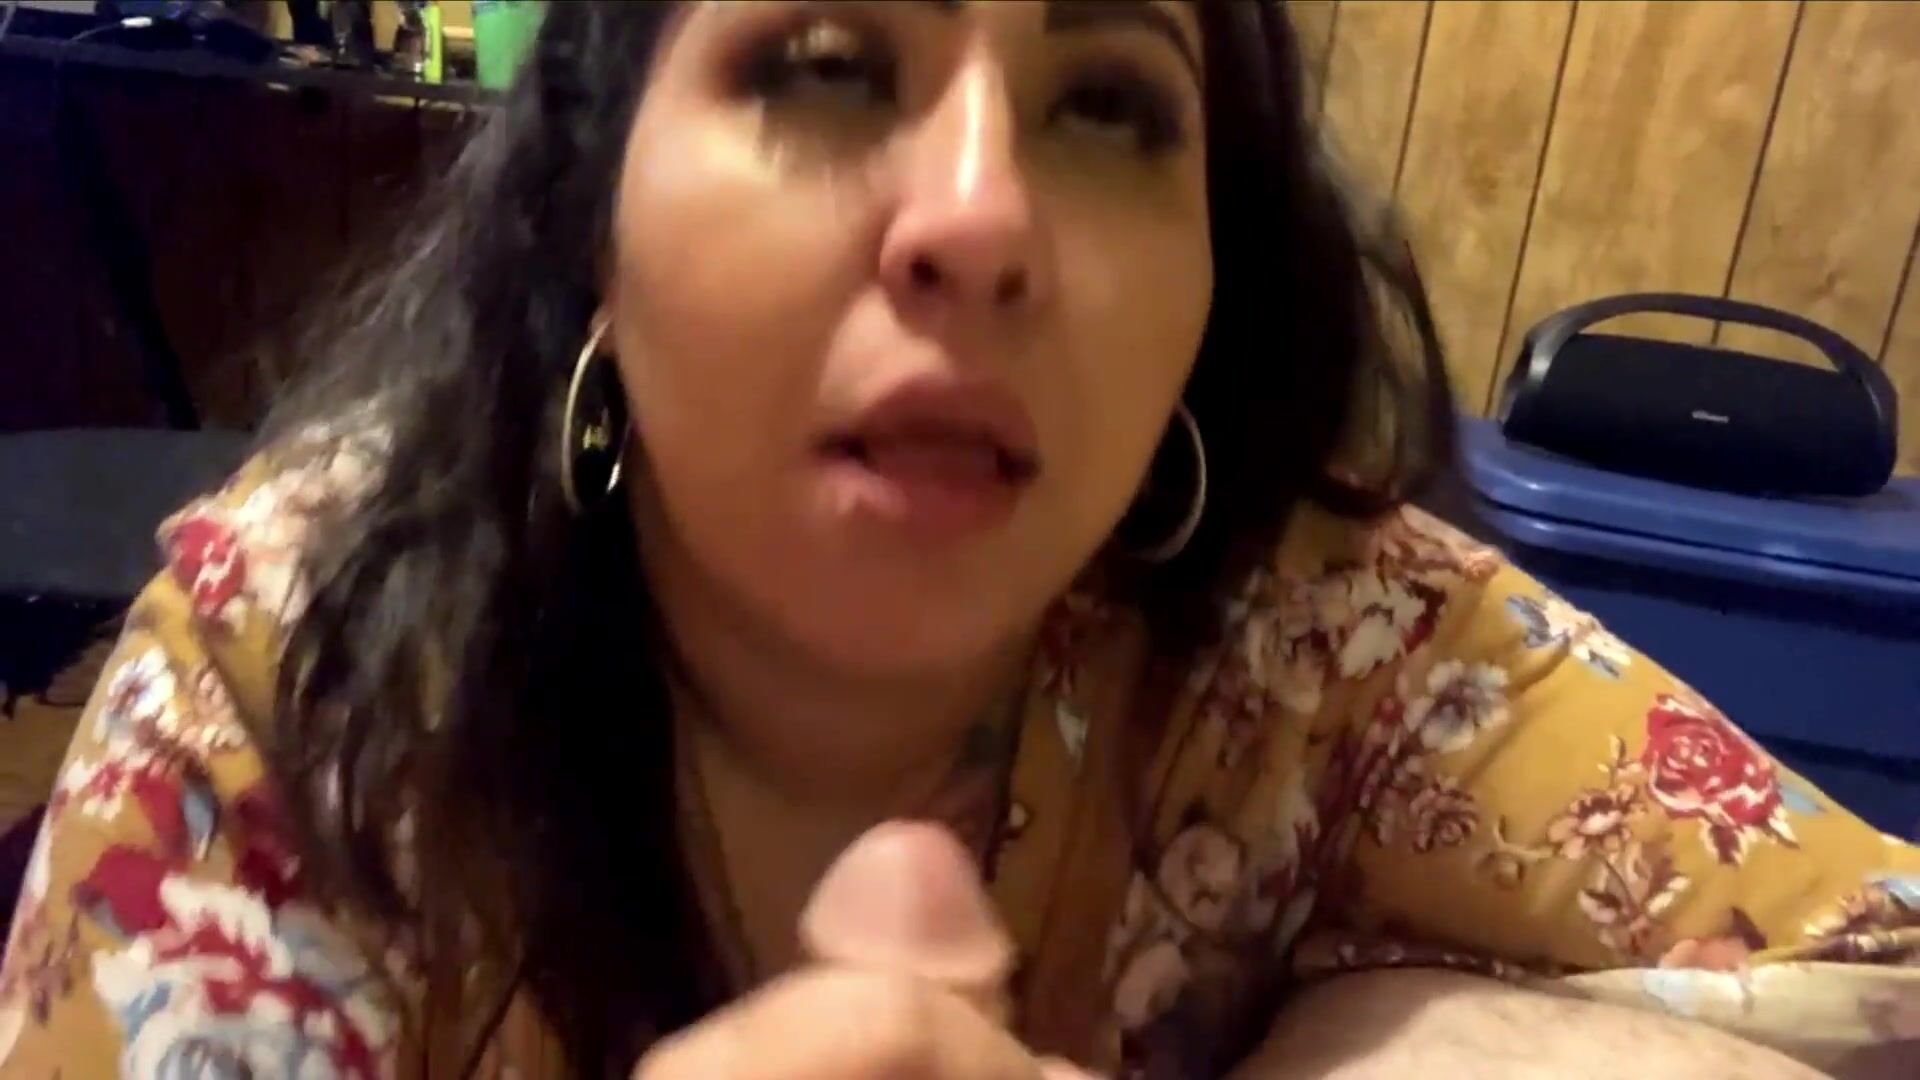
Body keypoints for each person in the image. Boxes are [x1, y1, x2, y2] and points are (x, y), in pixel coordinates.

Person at [1, 2, 1914, 1076]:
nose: (985, 217)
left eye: (1110, 106)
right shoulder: (299, 681)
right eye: (825, 63)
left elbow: (1882, 969)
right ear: (591, 216)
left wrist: (1387, 1045)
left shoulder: (1322, 636)